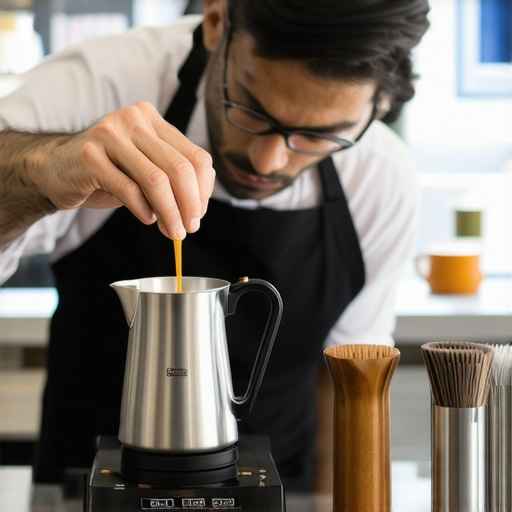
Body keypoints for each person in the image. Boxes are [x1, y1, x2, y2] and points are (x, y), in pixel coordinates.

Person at [0, 0, 430, 493]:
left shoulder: (381, 177)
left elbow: (345, 385)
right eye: (249, 108)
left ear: (378, 108)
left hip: (285, 492)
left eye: (319, 136)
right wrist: (43, 168)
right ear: (215, 22)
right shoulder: (100, 84)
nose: (268, 160)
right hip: (84, 490)